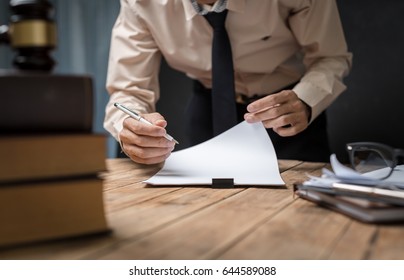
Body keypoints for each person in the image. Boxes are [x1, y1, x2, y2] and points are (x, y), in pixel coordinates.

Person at [104, 0, 352, 165]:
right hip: (209, 108)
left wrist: (306, 99)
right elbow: (128, 89)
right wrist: (130, 125)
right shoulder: (140, 4)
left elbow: (330, 56)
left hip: (287, 111)